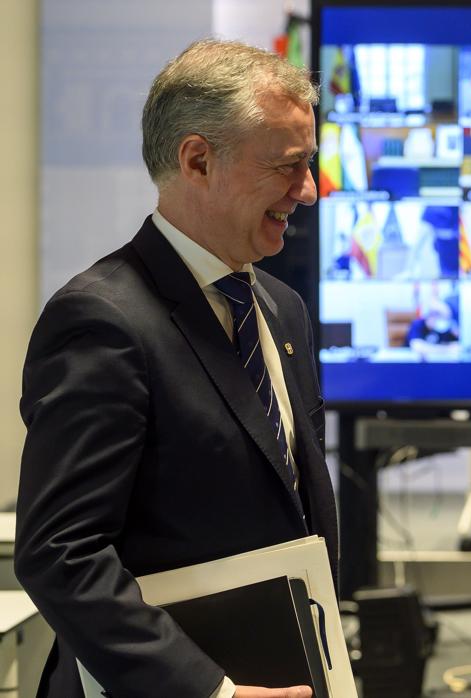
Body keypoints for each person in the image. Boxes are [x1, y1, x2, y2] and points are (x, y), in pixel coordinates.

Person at [16, 39, 334, 698]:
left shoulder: (283, 310)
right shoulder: (101, 320)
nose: (308, 191)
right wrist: (210, 692)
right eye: (288, 166)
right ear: (197, 160)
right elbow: (62, 555)